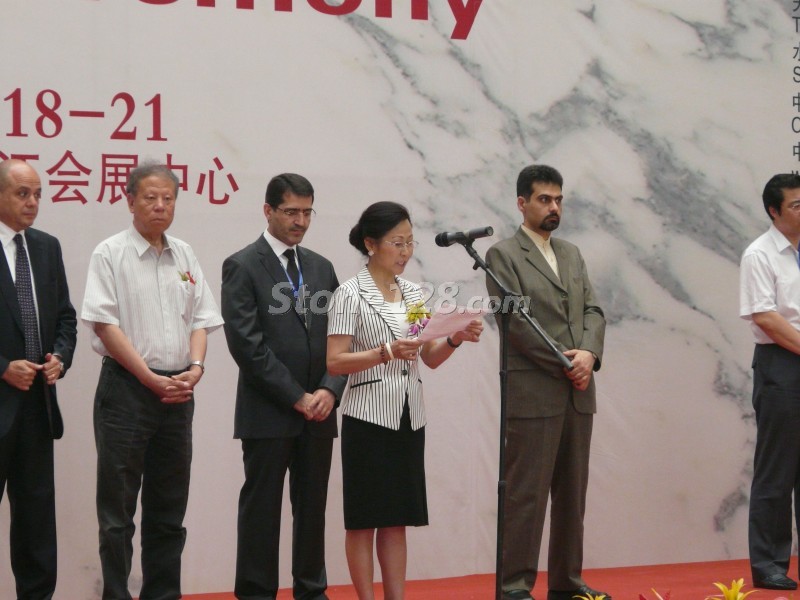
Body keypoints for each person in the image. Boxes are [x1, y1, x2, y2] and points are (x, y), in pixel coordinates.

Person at [81, 162, 223, 600]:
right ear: (130, 201)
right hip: (127, 391)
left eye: (168, 198)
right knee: (118, 514)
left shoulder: (185, 254)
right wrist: (148, 378)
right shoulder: (110, 253)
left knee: (168, 511)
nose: (160, 206)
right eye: (150, 198)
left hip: (178, 391)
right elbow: (104, 325)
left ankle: (162, 594)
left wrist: (195, 369)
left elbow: (200, 319)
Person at [327, 201, 482, 600]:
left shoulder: (413, 294)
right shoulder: (349, 294)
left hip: (409, 416)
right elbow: (335, 361)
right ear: (371, 244)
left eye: (410, 242)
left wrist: (454, 338)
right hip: (367, 417)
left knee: (396, 520)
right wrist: (385, 352)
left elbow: (428, 357)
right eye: (397, 242)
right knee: (363, 521)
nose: (406, 251)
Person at [484, 165, 608, 600]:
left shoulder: (571, 253)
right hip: (535, 391)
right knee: (527, 496)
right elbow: (516, 324)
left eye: (558, 200)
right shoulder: (503, 255)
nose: (554, 207)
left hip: (578, 391)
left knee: (572, 497)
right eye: (544, 199)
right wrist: (566, 362)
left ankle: (567, 583)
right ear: (522, 203)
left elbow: (593, 310)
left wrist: (589, 355)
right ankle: (515, 586)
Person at [221, 173, 346, 600]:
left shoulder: (321, 267)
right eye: (291, 212)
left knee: (312, 511)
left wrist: (329, 389)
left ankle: (311, 591)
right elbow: (246, 345)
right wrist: (296, 396)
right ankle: (256, 593)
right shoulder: (242, 265)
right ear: (268, 210)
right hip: (269, 411)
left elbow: (342, 338)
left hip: (320, 411)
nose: (300, 222)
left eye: (307, 212)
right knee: (262, 511)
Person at [0, 159, 77, 599]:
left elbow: (65, 317)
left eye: (37, 194)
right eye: (22, 193)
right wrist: (2, 367)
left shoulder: (46, 247)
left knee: (36, 522)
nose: (32, 203)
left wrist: (60, 359)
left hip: (37, 406)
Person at [740, 173, 800, 591]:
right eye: (796, 205)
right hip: (781, 365)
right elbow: (766, 317)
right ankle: (769, 564)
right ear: (774, 211)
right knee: (777, 470)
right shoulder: (759, 254)